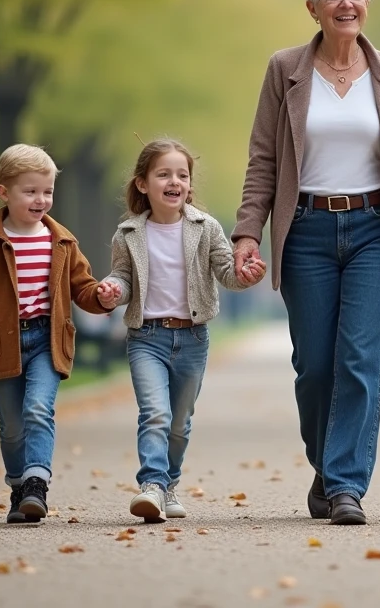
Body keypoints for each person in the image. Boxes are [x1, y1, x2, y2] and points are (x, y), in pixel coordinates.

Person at [231, 0, 380, 525]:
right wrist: (248, 230)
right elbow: (264, 159)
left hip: (375, 229)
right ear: (312, 8)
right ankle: (326, 464)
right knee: (316, 366)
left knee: (360, 359)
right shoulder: (285, 70)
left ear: (367, 3)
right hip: (307, 231)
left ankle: (346, 485)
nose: (345, 3)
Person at [0, 144, 117, 523]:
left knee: (39, 409)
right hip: (3, 343)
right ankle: (18, 487)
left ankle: (37, 484)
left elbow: (82, 287)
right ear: (4, 193)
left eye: (47, 191)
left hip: (46, 340)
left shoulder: (61, 241)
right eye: (31, 192)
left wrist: (102, 297)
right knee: (11, 426)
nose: (41, 200)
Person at [99, 138, 265, 523]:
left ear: (189, 184)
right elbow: (123, 278)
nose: (174, 181)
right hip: (146, 338)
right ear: (143, 184)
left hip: (192, 338)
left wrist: (246, 275)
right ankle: (152, 485)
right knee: (154, 413)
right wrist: (112, 290)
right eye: (164, 174)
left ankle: (170, 482)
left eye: (182, 175)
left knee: (178, 421)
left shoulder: (205, 228)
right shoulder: (128, 234)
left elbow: (226, 271)